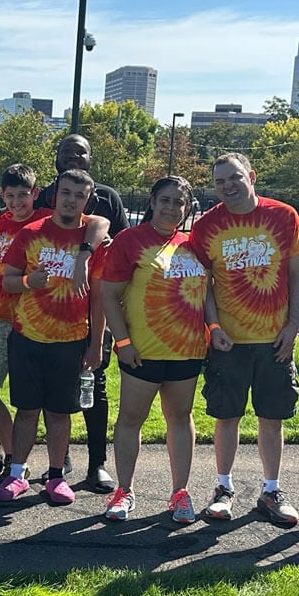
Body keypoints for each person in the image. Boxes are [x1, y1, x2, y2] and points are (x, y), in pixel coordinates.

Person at [188, 152, 299, 525]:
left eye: (234, 178)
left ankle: (271, 490)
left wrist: (293, 326)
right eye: (219, 181)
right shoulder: (207, 225)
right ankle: (223, 489)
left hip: (274, 339)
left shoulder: (283, 215)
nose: (227, 186)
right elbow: (204, 284)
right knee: (227, 416)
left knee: (271, 417)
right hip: (229, 340)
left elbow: (297, 275)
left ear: (252, 176)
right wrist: (214, 327)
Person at [0, 153, 108, 485]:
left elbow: (100, 223)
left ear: (39, 194)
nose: (70, 200)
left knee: (43, 407)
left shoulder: (66, 225)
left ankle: (36, 467)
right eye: (10, 195)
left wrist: (85, 254)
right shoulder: (16, 227)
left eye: (23, 194)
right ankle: (0, 461)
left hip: (44, 329)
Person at [101, 176, 208, 522]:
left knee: (179, 419)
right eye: (165, 200)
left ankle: (179, 494)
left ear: (187, 208)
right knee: (131, 420)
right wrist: (123, 342)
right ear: (151, 201)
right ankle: (124, 492)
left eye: (179, 202)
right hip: (141, 352)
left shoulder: (195, 244)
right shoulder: (130, 240)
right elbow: (109, 296)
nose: (171, 207)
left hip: (187, 352)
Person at [34, 134, 130, 493]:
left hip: (94, 304)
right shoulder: (44, 195)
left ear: (91, 158)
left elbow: (123, 244)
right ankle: (59, 460)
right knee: (50, 388)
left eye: (82, 151)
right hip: (49, 308)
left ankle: (97, 464)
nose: (74, 156)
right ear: (56, 157)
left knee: (94, 383)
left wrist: (104, 246)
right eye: (67, 150)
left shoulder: (108, 197)